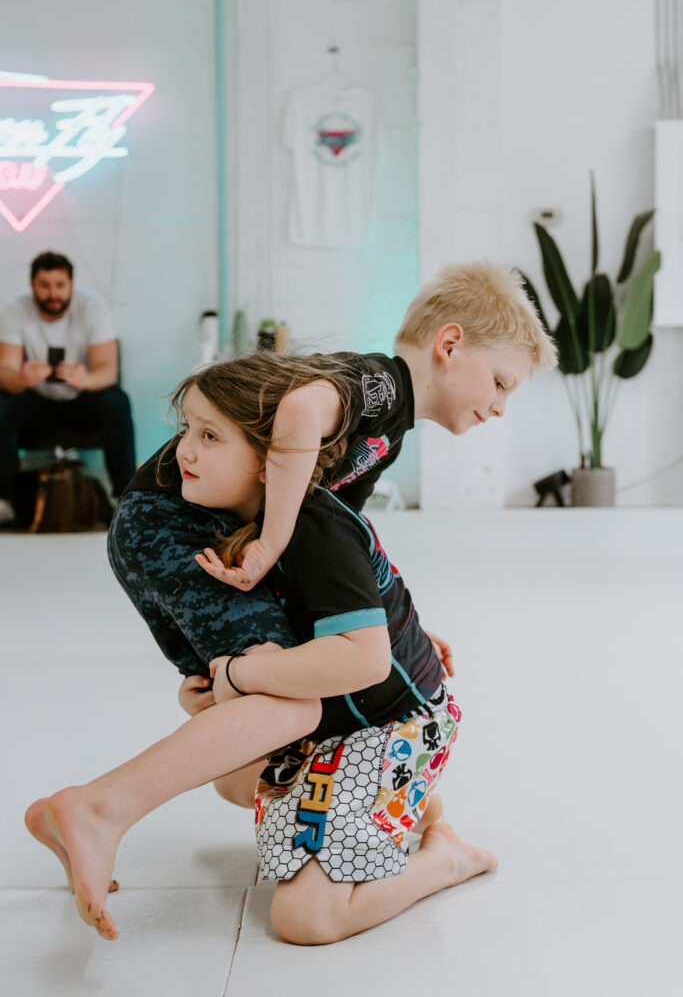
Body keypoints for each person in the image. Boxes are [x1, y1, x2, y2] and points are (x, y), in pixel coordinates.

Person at [25, 363, 496, 945]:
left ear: (272, 458)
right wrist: (219, 686)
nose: (181, 454)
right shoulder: (244, 530)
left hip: (396, 727)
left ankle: (442, 855)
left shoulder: (312, 526)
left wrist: (239, 674)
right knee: (230, 770)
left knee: (306, 919)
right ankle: (400, 808)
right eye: (187, 430)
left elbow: (367, 661)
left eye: (210, 436)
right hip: (347, 722)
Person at [201, 260, 557, 591]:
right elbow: (300, 409)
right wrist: (270, 544)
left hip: (218, 533)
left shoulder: (391, 436)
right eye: (499, 384)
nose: (500, 410)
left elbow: (340, 532)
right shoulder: (382, 386)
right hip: (184, 517)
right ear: (449, 346)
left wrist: (396, 624)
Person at [0, 251, 136, 523]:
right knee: (2, 403)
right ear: (32, 285)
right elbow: (5, 372)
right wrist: (22, 379)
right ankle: (4, 501)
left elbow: (108, 370)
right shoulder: (14, 310)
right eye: (45, 285)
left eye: (60, 285)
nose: (53, 294)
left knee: (116, 401)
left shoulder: (92, 308)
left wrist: (86, 379)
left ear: (71, 284)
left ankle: (126, 498)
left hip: (81, 400)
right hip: (36, 401)